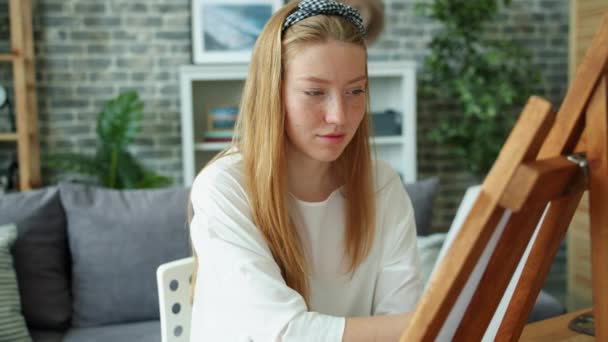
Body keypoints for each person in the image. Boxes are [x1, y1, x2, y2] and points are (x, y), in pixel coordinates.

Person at [188, 0, 421, 340]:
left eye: (356, 91)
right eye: (315, 92)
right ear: (273, 93)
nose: (340, 116)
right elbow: (286, 333)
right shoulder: (223, 187)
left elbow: (404, 318)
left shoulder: (381, 184)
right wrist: (432, 320)